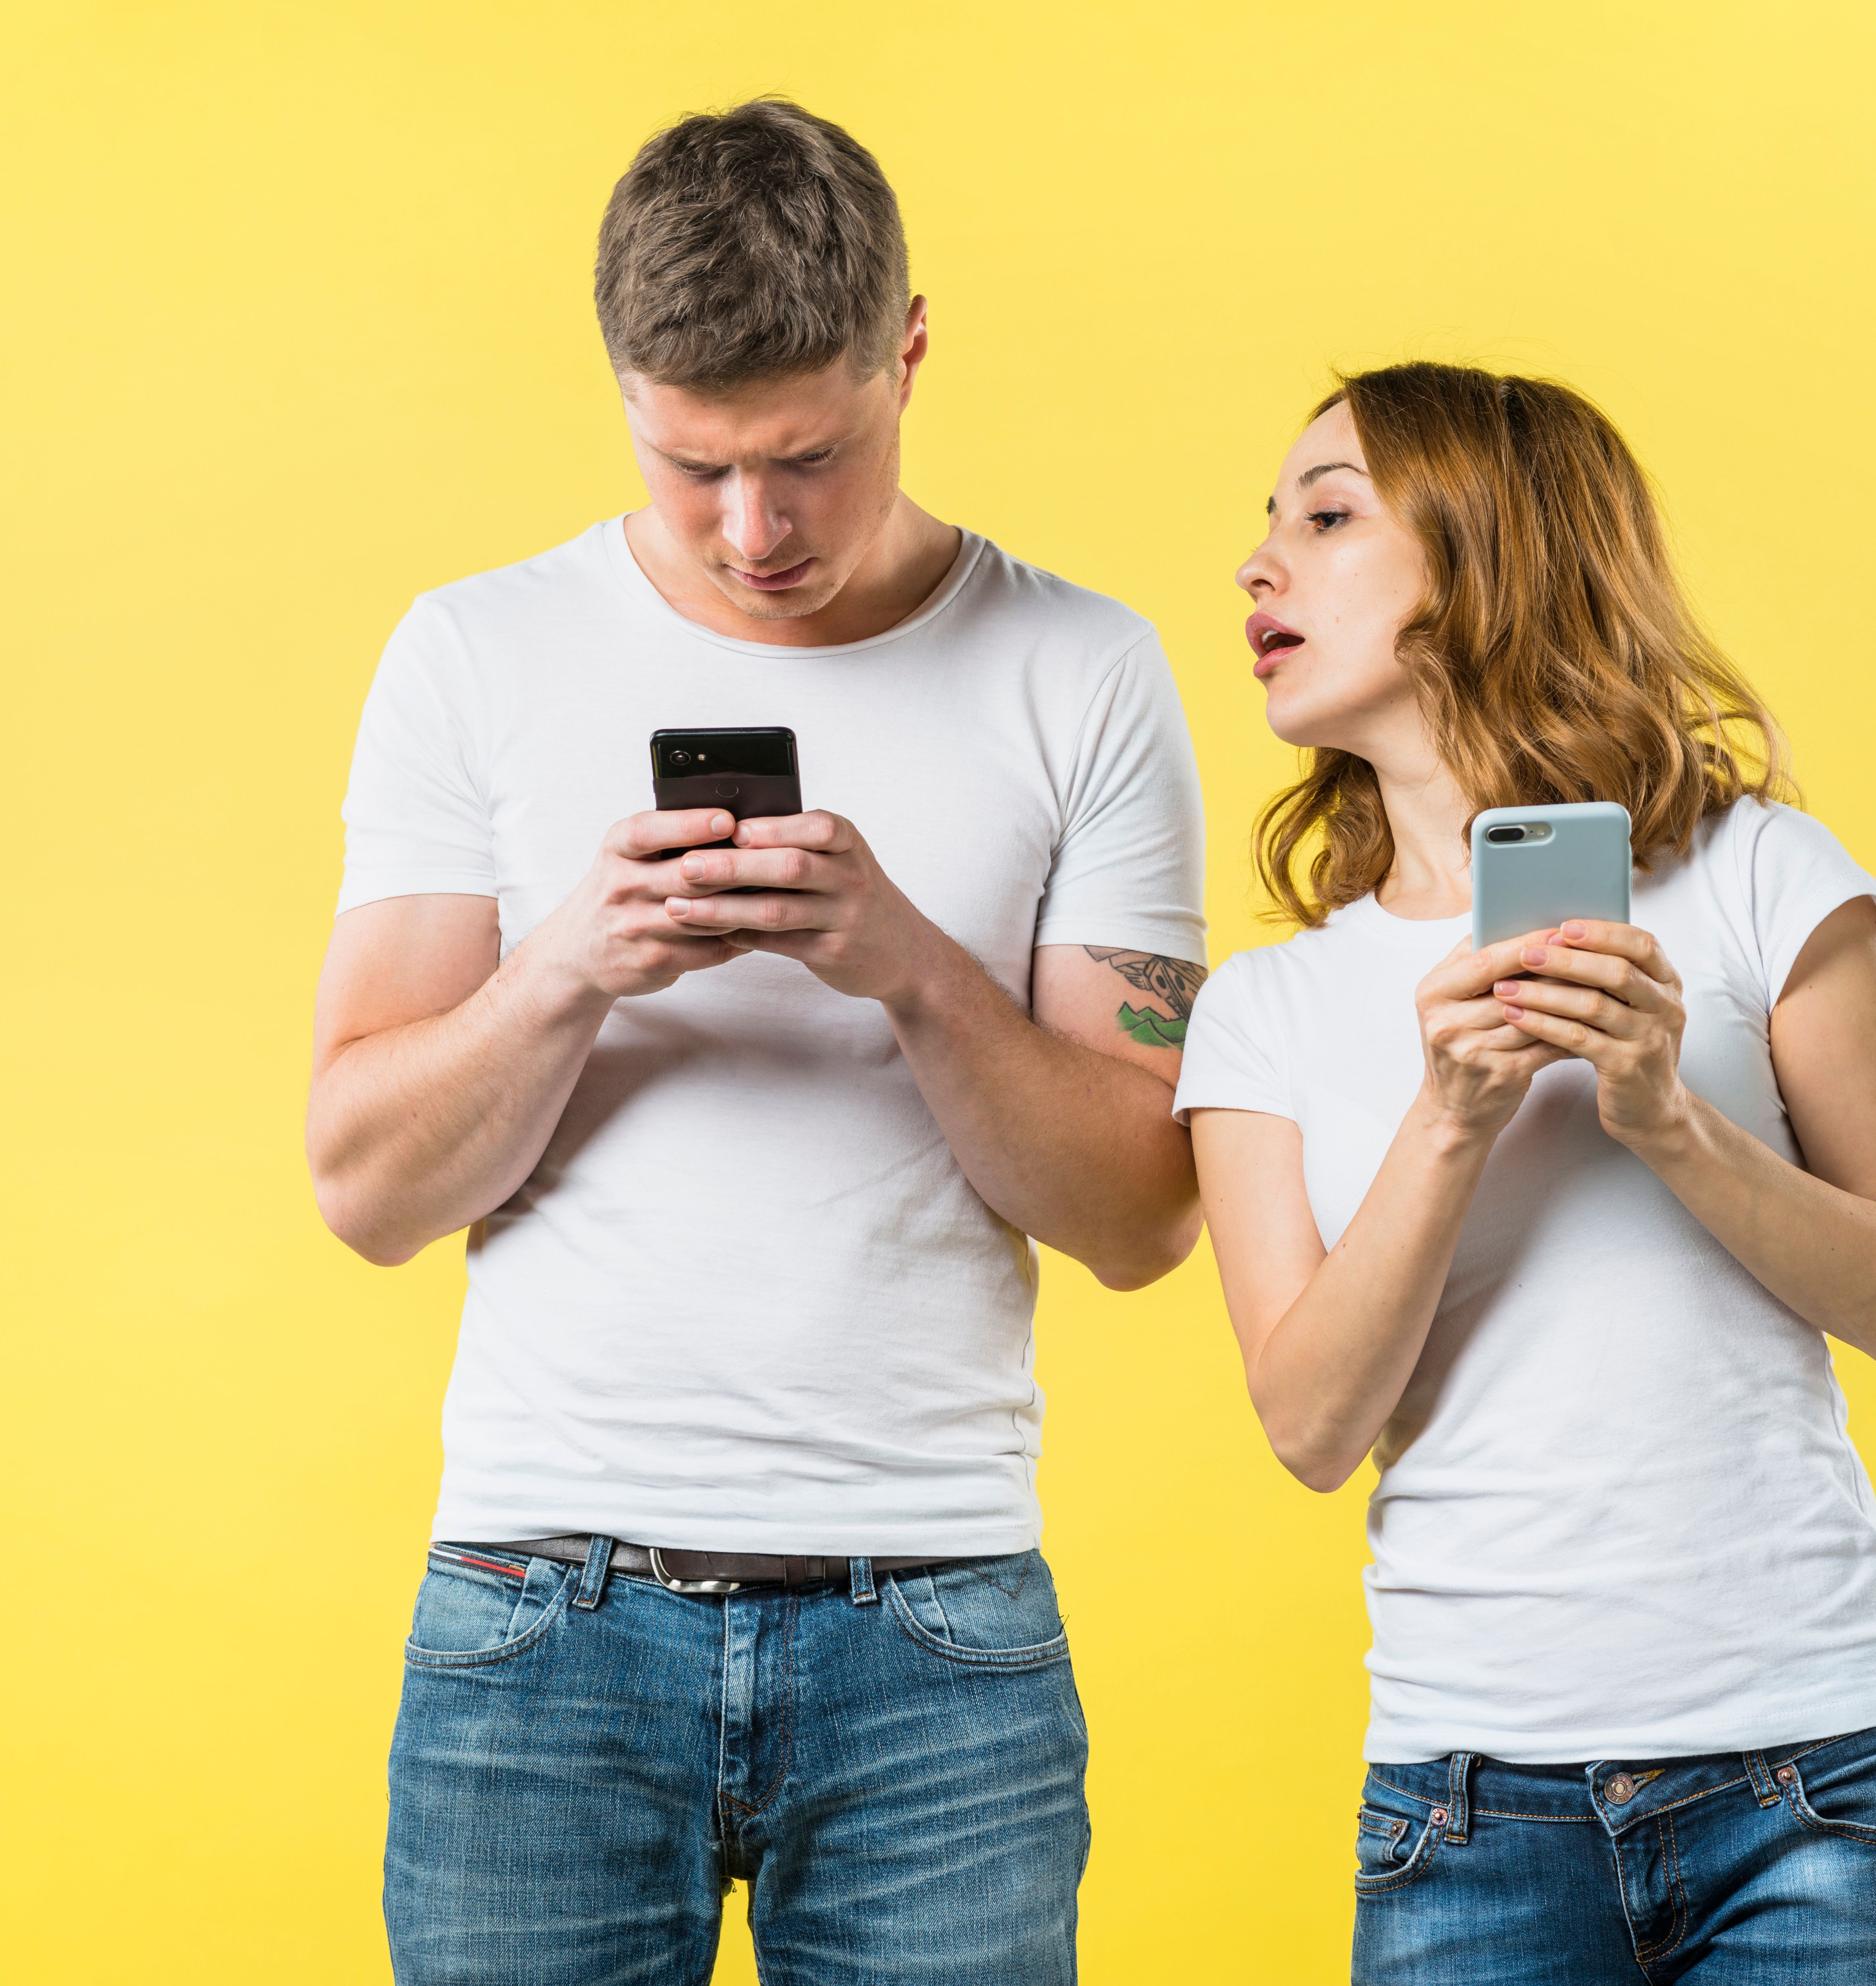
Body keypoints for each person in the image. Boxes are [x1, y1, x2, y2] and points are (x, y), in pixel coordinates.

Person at [306, 99, 1208, 1986]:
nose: (751, 531)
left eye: (808, 457)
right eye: (689, 462)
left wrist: (911, 967)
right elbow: (365, 1184)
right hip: (537, 1625)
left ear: (910, 350)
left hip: (937, 1634)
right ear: (624, 390)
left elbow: (1139, 1211)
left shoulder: (1084, 668)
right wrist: (570, 964)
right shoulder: (473, 654)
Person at [1175, 362, 1876, 1984]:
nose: (1258, 568)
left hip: (1819, 1780)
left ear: (1486, 564)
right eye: (1268, 527)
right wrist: (1452, 1117)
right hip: (1468, 1814)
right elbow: (1310, 1425)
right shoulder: (1262, 1011)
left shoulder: (1764, 877)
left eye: (1327, 519)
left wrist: (1667, 1115)